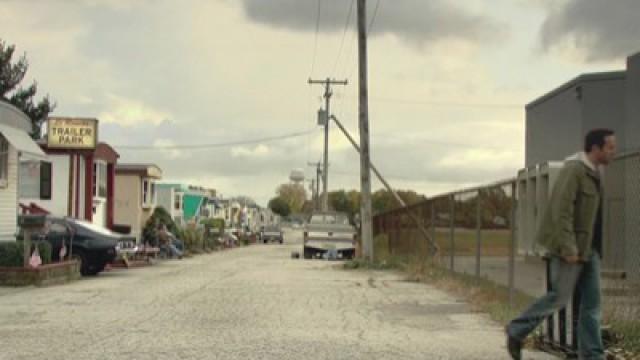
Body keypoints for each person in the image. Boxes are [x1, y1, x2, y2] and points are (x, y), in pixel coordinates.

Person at [506, 129, 617, 360]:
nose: (613, 152)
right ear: (595, 148)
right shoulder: (574, 170)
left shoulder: (596, 173)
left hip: (589, 249)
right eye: (610, 147)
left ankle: (592, 355)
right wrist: (568, 247)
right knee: (558, 297)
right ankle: (517, 330)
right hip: (571, 248)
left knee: (592, 305)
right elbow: (561, 211)